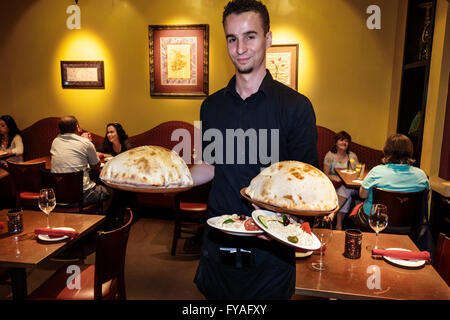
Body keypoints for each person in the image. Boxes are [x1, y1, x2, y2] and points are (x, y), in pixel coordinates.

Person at [194, 0, 318, 299]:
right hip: (218, 249)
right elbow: (208, 167)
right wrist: (164, 177)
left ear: (268, 39)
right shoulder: (211, 105)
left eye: (250, 36)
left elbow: (308, 192)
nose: (240, 48)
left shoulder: (296, 107)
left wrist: (277, 224)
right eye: (232, 38)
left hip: (270, 258)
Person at [353, 133, 429, 231]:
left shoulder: (377, 171)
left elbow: (362, 195)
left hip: (376, 222)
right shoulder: (421, 175)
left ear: (386, 151)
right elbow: (425, 199)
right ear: (410, 151)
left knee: (356, 208)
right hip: (410, 225)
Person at [50, 115, 112, 208]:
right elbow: (96, 166)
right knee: (109, 192)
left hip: (59, 196)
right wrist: (88, 143)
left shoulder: (55, 142)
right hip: (82, 196)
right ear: (77, 127)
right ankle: (101, 220)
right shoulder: (85, 143)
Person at [323, 131, 359, 230]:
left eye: (347, 141)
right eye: (341, 140)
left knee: (347, 189)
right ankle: (339, 225)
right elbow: (325, 174)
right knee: (346, 193)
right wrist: (337, 178)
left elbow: (357, 172)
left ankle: (332, 214)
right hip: (334, 184)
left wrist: (346, 179)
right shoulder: (330, 155)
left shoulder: (352, 156)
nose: (344, 143)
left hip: (350, 185)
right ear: (336, 142)